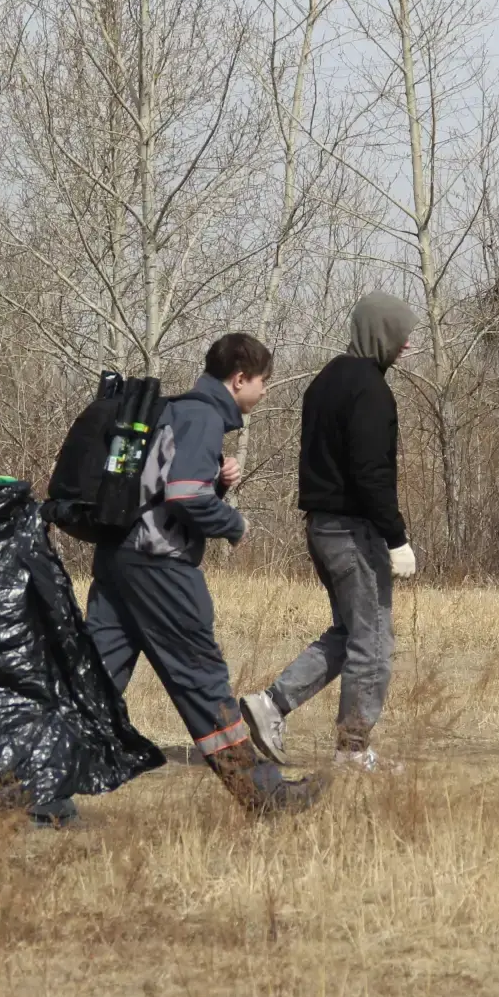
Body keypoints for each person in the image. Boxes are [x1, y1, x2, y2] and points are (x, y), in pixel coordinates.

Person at [82, 333, 325, 815]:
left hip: (118, 557)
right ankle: (264, 795)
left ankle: (22, 791)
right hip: (160, 567)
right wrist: (233, 523)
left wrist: (215, 481)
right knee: (203, 678)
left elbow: (163, 484)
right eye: (263, 381)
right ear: (239, 379)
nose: (265, 391)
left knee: (91, 679)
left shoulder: (176, 409)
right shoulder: (204, 416)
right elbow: (184, 496)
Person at [241, 293, 417, 773]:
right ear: (380, 333)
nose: (405, 345)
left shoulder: (327, 379)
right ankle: (352, 750)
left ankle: (271, 705)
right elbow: (370, 474)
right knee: (373, 642)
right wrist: (396, 537)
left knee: (349, 632)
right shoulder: (370, 390)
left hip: (321, 527)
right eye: (401, 335)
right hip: (354, 531)